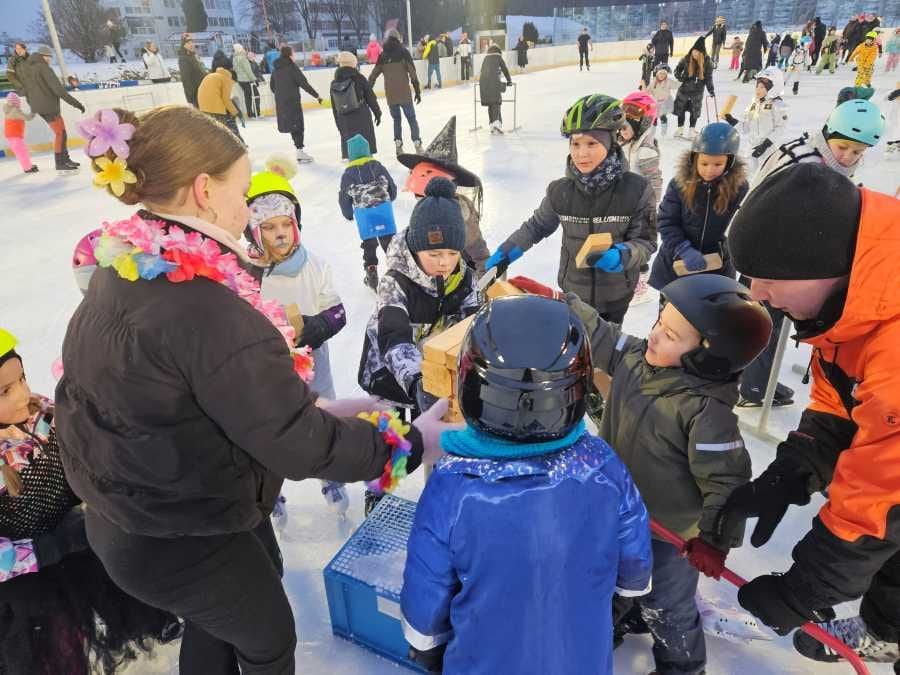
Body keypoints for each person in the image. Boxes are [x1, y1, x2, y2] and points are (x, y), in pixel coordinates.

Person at [59, 104, 452, 674]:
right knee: (267, 638)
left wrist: (311, 404)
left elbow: (197, 392)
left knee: (220, 623)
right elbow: (297, 443)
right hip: (175, 532)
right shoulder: (206, 307)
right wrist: (411, 443)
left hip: (141, 512)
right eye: (241, 192)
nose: (246, 209)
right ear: (202, 190)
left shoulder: (122, 266)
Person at [513, 272, 770, 675]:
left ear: (706, 354)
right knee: (611, 573)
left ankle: (682, 667)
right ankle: (621, 615)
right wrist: (563, 303)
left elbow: (727, 483)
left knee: (668, 605)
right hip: (617, 510)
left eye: (670, 335)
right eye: (658, 322)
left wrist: (714, 541)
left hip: (667, 536)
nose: (653, 335)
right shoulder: (636, 357)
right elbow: (602, 335)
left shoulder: (706, 415)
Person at [400, 294, 653, 675]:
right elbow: (634, 556)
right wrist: (619, 599)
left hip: (483, 660)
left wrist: (426, 646)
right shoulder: (602, 465)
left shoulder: (454, 485)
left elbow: (428, 579)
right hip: (580, 656)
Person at [718, 163, 900, 668]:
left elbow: (882, 497)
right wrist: (791, 473)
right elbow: (837, 407)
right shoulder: (854, 306)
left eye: (769, 278)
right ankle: (890, 626)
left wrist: (805, 587)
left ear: (823, 266)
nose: (756, 293)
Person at [0, 329, 183, 675]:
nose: (23, 393)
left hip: (87, 552)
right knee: (59, 658)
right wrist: (44, 548)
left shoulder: (44, 414)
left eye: (22, 378)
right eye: (5, 391)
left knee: (123, 623)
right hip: (32, 586)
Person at [484, 95, 657, 324]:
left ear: (611, 143)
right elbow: (536, 227)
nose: (581, 153)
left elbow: (646, 241)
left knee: (603, 354)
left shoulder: (636, 189)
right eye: (575, 144)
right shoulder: (561, 191)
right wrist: (506, 251)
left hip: (615, 295)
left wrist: (622, 255)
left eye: (591, 144)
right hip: (573, 294)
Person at [244, 155, 351, 514]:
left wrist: (319, 326)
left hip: (312, 356)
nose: (279, 233)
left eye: (285, 224)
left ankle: (331, 477)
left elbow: (338, 311)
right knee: (270, 427)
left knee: (322, 417)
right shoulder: (247, 273)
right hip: (267, 366)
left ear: (296, 224)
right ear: (254, 233)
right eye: (268, 227)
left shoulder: (314, 265)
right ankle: (271, 492)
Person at [358, 176, 479, 413]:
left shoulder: (463, 278)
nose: (445, 262)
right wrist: (418, 382)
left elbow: (473, 324)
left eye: (453, 252)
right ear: (415, 248)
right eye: (434, 254)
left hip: (437, 373)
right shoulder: (395, 283)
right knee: (397, 438)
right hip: (391, 376)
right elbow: (394, 338)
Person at [648, 123, 747, 292]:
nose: (709, 170)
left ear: (729, 162)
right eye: (704, 163)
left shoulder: (738, 188)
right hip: (676, 264)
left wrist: (726, 251)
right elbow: (666, 222)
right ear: (695, 159)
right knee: (674, 315)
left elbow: (738, 227)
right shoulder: (679, 185)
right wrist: (683, 249)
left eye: (717, 164)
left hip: (716, 268)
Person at [399, 116, 491, 276]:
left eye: (419, 196)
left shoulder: (462, 214)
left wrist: (482, 284)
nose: (419, 200)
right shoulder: (429, 208)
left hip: (459, 277)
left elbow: (479, 253)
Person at [339, 134, 398, 289]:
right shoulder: (378, 167)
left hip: (364, 216)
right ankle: (398, 271)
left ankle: (371, 270)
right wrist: (390, 198)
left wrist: (348, 214)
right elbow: (391, 186)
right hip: (383, 212)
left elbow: (344, 197)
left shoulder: (348, 175)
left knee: (369, 244)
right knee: (390, 243)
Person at [25, 46, 84, 172]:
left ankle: (65, 159)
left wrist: (33, 105)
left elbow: (26, 91)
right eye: (49, 57)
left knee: (62, 133)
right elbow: (59, 90)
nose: (50, 59)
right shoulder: (45, 68)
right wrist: (76, 104)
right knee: (60, 133)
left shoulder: (29, 69)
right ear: (43, 56)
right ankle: (60, 162)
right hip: (49, 107)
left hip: (40, 108)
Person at [368, 28, 423, 156]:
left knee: (396, 120)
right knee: (411, 119)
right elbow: (413, 73)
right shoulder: (404, 52)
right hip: (404, 94)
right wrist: (417, 90)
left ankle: (398, 146)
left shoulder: (383, 55)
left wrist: (367, 90)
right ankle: (417, 144)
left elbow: (373, 75)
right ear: (398, 38)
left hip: (391, 96)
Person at [724, 67, 787, 168]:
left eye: (762, 87)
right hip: (751, 149)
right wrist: (732, 121)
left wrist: (765, 145)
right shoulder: (754, 103)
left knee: (763, 176)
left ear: (773, 88)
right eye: (757, 86)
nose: (758, 90)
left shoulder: (778, 105)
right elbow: (746, 127)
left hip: (768, 150)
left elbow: (780, 128)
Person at [270, 45, 322, 163]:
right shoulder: (291, 68)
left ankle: (299, 150)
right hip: (292, 102)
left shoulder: (276, 69)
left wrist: (281, 94)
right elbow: (304, 83)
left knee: (293, 126)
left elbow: (273, 87)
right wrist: (316, 95)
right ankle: (300, 152)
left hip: (281, 102)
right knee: (297, 125)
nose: (294, 55)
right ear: (289, 55)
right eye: (293, 53)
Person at [330, 51, 381, 160]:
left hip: (345, 120)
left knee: (351, 148)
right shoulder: (359, 78)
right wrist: (377, 112)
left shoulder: (334, 83)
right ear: (353, 63)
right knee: (365, 144)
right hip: (361, 117)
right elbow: (370, 97)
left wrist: (339, 124)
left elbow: (335, 107)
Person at [673, 37, 715, 140]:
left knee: (694, 111)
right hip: (684, 90)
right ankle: (680, 128)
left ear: (702, 53)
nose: (694, 54)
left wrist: (711, 89)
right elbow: (677, 70)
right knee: (681, 109)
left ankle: (692, 130)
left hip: (697, 91)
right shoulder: (686, 59)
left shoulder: (707, 62)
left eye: (697, 52)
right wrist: (681, 77)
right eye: (693, 51)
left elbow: (708, 77)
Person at [197, 58, 243, 141]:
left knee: (212, 129)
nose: (232, 85)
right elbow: (226, 99)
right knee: (222, 130)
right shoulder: (227, 79)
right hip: (215, 107)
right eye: (233, 83)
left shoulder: (214, 75)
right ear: (233, 79)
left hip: (203, 106)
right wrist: (236, 113)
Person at [479, 44, 512, 134]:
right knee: (496, 102)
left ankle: (492, 125)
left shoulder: (486, 58)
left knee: (490, 104)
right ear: (498, 52)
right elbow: (505, 69)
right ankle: (496, 124)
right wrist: (509, 81)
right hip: (493, 82)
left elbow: (482, 71)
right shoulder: (498, 57)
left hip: (484, 83)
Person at [3, 92, 37, 174]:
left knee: (21, 152)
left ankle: (28, 166)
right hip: (15, 136)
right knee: (22, 152)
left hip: (11, 136)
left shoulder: (9, 110)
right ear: (16, 102)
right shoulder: (15, 111)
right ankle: (28, 168)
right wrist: (34, 111)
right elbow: (27, 118)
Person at [178, 35, 207, 107]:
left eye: (191, 42)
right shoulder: (183, 59)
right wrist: (190, 97)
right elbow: (186, 78)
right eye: (188, 43)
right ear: (184, 46)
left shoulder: (193, 56)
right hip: (195, 92)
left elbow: (201, 70)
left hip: (203, 88)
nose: (191, 45)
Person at [649, 63, 676, 135]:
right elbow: (648, 91)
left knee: (662, 116)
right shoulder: (653, 82)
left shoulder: (668, 82)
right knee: (654, 117)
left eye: (664, 74)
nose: (662, 75)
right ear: (657, 74)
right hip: (655, 103)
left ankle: (664, 132)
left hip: (664, 103)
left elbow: (676, 85)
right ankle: (652, 132)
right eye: (660, 73)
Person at [232, 44, 257, 118]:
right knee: (255, 95)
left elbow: (235, 69)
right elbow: (248, 70)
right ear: (240, 49)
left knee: (247, 96)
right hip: (246, 80)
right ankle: (255, 112)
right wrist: (254, 79)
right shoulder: (243, 58)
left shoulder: (234, 58)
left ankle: (250, 113)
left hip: (240, 80)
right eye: (242, 48)